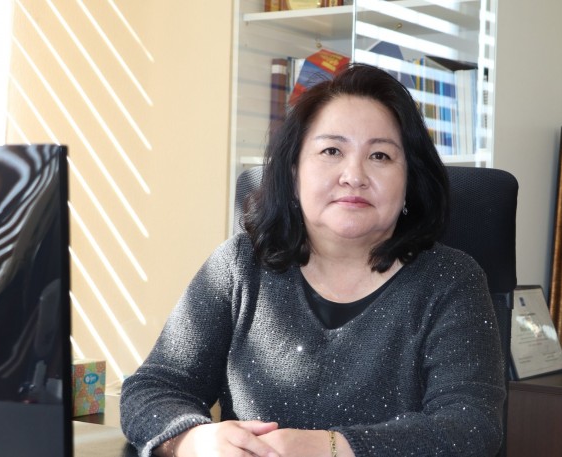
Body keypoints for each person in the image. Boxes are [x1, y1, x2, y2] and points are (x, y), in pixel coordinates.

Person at [120, 63, 506, 457]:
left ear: (409, 180)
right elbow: (152, 388)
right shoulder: (240, 266)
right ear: (294, 173)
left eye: (380, 155)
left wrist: (331, 448)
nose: (353, 175)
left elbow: (471, 427)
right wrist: (192, 439)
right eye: (331, 151)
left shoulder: (450, 280)